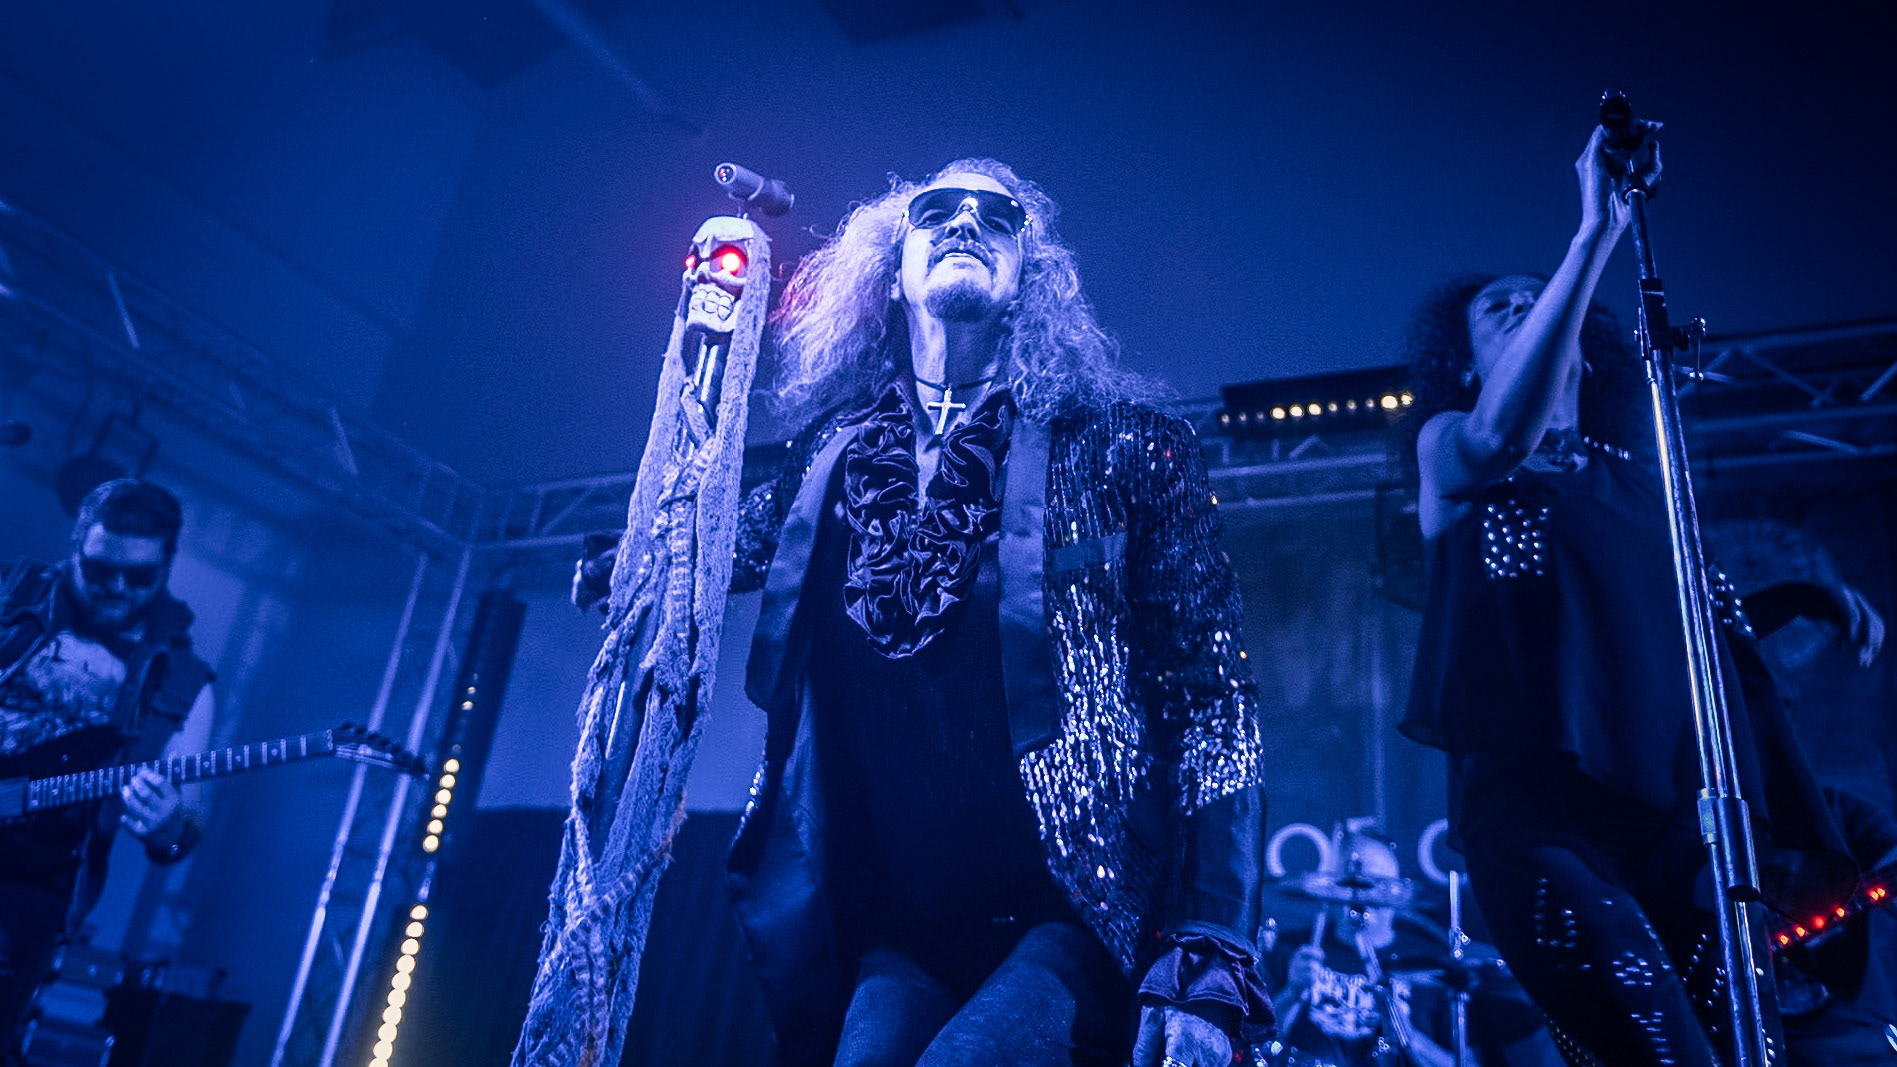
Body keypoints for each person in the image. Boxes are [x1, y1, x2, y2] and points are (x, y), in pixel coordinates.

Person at [577, 159, 1272, 1066]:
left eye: (997, 215)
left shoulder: (1126, 446)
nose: (965, 222)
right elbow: (695, 555)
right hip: (898, 917)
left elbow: (1215, 700)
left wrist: (1208, 944)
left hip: (1079, 906)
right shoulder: (830, 457)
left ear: (1031, 277)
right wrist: (697, 359)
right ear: (890, 270)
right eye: (936, 209)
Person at [1396, 123, 1858, 1066]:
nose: (1523, 307)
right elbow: (1502, 439)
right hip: (1540, 824)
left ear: (1583, 348)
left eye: (1536, 301)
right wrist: (1593, 233)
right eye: (1497, 310)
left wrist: (1805, 598)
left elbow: (1690, 629)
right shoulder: (1452, 445)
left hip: (1672, 830)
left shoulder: (1644, 490)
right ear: (1465, 364)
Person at [0, 480, 214, 1053]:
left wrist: (167, 827)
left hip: (27, 890)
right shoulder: (7, 597)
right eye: (99, 570)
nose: (118, 587)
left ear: (168, 564)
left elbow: (184, 830)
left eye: (140, 576)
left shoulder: (185, 684)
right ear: (76, 544)